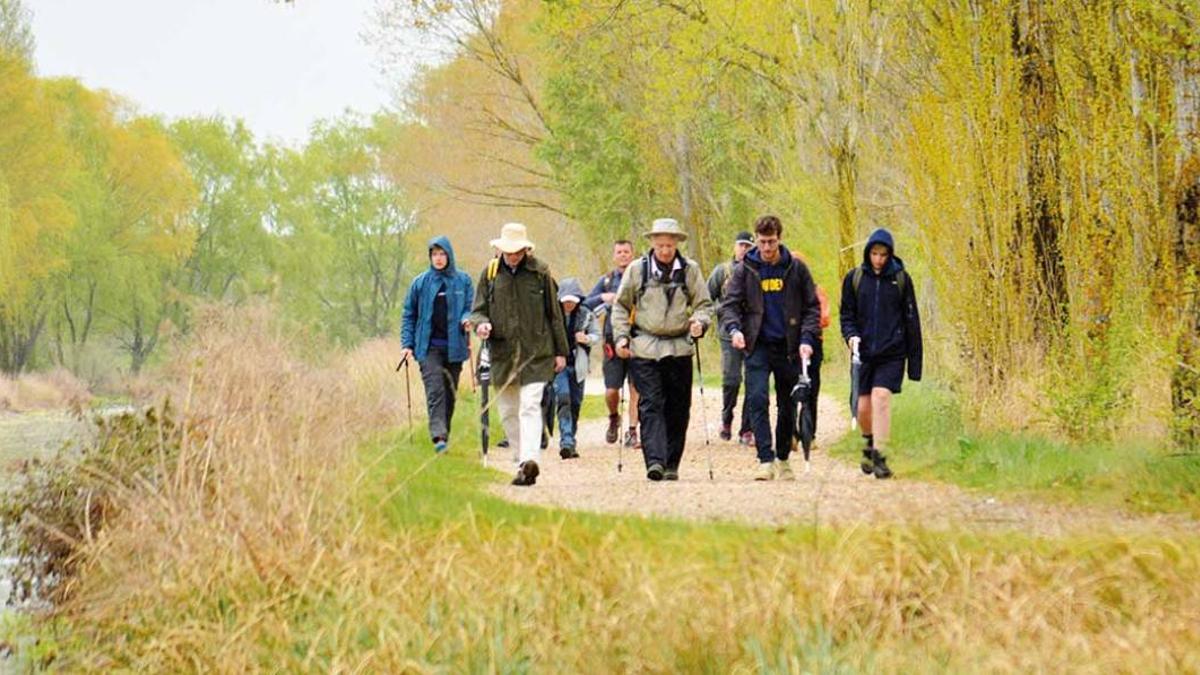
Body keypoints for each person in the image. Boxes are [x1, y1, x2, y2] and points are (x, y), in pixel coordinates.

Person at [719, 215, 821, 481]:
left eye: (771, 242)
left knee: (787, 405)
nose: (766, 248)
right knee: (757, 399)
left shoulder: (796, 269)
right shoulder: (745, 269)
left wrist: (807, 339)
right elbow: (729, 305)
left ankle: (783, 458)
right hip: (757, 345)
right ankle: (765, 458)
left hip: (787, 346)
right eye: (762, 242)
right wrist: (735, 329)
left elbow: (812, 307)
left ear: (780, 239)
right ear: (756, 240)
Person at [611, 218, 713, 481]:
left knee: (678, 407)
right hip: (645, 347)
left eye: (669, 245)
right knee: (651, 404)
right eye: (660, 245)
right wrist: (622, 338)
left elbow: (704, 304)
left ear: (677, 243)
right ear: (653, 244)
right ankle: (654, 461)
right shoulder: (637, 270)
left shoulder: (690, 270)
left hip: (679, 347)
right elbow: (621, 306)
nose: (665, 250)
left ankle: (671, 463)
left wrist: (699, 323)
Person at [469, 223, 568, 486]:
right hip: (502, 354)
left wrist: (561, 352)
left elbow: (554, 315)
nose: (513, 256)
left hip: (536, 352)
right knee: (508, 412)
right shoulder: (489, 274)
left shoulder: (540, 272)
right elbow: (477, 310)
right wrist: (482, 325)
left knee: (530, 405)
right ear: (501, 250)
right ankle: (521, 460)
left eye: (518, 251)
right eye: (509, 251)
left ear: (526, 249)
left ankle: (530, 459)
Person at [839, 227, 923, 480]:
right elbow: (847, 316)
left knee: (881, 397)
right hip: (863, 353)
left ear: (890, 254)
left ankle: (881, 457)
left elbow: (912, 321)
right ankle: (869, 441)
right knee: (863, 407)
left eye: (883, 254)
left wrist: (914, 364)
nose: (878, 259)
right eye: (874, 253)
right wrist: (851, 336)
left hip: (892, 352)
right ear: (868, 253)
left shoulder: (901, 280)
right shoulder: (854, 279)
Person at [399, 236, 474, 453]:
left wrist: (467, 319)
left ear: (449, 255)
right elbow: (409, 314)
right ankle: (438, 437)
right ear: (430, 257)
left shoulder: (463, 281)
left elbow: (470, 307)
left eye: (442, 254)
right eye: (435, 255)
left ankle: (444, 434)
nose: (439, 259)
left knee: (450, 392)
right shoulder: (420, 283)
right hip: (427, 347)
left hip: (455, 347)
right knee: (436, 390)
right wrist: (407, 343)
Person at [584, 239, 641, 448]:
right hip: (611, 338)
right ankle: (613, 416)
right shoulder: (607, 280)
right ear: (614, 256)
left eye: (627, 251)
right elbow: (585, 304)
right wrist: (603, 297)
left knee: (637, 387)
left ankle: (633, 431)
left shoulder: (640, 277)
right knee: (611, 389)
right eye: (619, 252)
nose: (623, 255)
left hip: (637, 337)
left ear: (633, 254)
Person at [707, 230, 755, 444]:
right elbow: (705, 300)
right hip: (728, 333)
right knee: (732, 379)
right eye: (741, 245)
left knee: (754, 382)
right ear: (735, 247)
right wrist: (724, 309)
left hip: (753, 334)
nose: (744, 249)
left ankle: (747, 428)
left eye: (748, 246)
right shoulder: (722, 271)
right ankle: (727, 417)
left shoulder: (757, 270)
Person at [554, 278, 602, 459]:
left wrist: (587, 339)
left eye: (572, 301)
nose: (568, 304)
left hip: (579, 366)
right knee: (563, 398)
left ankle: (571, 439)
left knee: (575, 402)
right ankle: (565, 440)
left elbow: (597, 335)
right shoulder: (554, 316)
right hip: (559, 366)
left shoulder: (586, 314)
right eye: (566, 301)